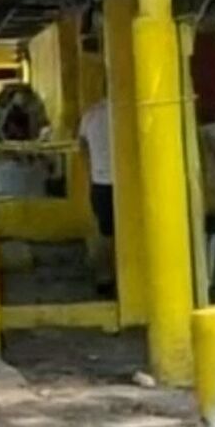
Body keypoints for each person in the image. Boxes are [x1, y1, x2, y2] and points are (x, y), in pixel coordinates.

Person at [79, 96, 115, 297]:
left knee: (104, 233)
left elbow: (82, 145)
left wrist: (93, 167)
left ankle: (104, 277)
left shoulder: (91, 114)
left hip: (100, 181)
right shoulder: (126, 109)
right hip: (126, 183)